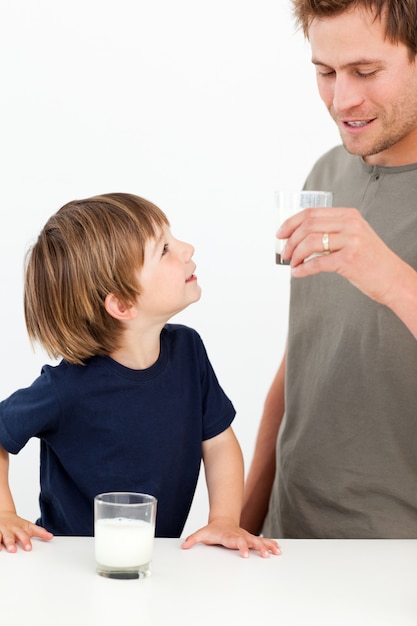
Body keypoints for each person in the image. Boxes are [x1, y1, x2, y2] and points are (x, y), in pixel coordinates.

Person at [0, 192, 280, 558]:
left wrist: (225, 519)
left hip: (151, 560)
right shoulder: (64, 388)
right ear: (122, 304)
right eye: (164, 249)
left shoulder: (188, 352)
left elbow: (218, 443)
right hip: (70, 563)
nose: (187, 248)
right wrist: (5, 512)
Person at [241, 0, 417, 539]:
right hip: (286, 536)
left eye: (365, 72)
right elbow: (302, 361)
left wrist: (390, 278)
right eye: (325, 72)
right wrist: (239, 522)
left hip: (392, 556)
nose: (342, 99)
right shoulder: (326, 170)